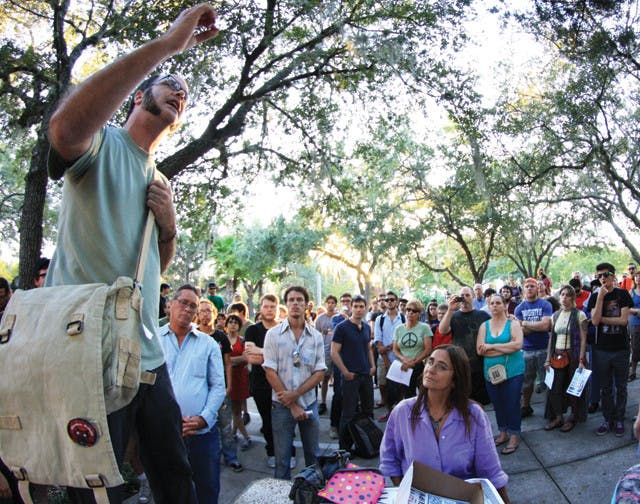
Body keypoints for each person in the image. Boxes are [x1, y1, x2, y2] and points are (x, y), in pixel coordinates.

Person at [45, 5, 219, 502]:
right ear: (140, 95)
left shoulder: (160, 179)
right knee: (97, 486)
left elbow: (153, 270)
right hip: (91, 350)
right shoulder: (101, 144)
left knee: (175, 478)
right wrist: (168, 45)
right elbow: (64, 130)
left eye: (185, 97)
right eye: (171, 86)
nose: (180, 93)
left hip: (147, 355)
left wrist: (169, 227)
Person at [379, 346, 510, 503]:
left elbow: (491, 472)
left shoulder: (474, 415)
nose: (431, 369)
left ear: (455, 380)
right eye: (430, 362)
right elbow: (389, 460)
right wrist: (404, 493)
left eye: (442, 367)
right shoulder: (402, 411)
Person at [159, 285, 225, 504]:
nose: (187, 309)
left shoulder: (208, 344)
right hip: (165, 433)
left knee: (206, 490)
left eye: (192, 306)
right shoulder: (154, 341)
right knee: (170, 491)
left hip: (202, 434)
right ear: (170, 304)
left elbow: (218, 386)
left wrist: (203, 418)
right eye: (183, 303)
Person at [262, 286, 326, 480]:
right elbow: (269, 371)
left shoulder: (315, 336)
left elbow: (320, 371)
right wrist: (290, 403)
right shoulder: (273, 335)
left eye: (300, 300)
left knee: (313, 457)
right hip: (281, 406)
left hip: (309, 404)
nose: (295, 303)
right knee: (282, 460)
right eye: (291, 300)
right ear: (286, 304)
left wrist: (296, 395)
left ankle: (310, 495)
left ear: (306, 304)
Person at [244, 294, 297, 470]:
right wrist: (275, 355)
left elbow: (289, 357)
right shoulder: (252, 330)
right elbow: (251, 358)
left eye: (272, 307)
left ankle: (290, 453)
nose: (269, 310)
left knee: (286, 421)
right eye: (266, 306)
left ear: (277, 308)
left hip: (284, 382)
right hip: (261, 384)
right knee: (267, 422)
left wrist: (261, 352)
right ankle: (273, 453)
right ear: (260, 309)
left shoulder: (284, 328)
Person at [197, 299, 243, 473]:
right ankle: (210, 459)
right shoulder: (193, 335)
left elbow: (228, 364)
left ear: (214, 314)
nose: (205, 314)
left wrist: (228, 386)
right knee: (206, 427)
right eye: (201, 311)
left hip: (220, 389)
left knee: (225, 425)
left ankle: (231, 457)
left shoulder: (220, 337)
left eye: (208, 310)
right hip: (200, 390)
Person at [588, 262, 633, 436]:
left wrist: (601, 319)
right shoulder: (595, 296)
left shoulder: (622, 295)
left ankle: (620, 419)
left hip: (621, 348)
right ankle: (608, 419)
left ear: (613, 276)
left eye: (605, 275)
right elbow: (595, 321)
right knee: (605, 387)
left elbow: (623, 321)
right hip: (602, 349)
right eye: (598, 276)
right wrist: (600, 297)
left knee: (621, 386)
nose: (602, 279)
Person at [477, 294, 525, 455]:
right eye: (492, 303)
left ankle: (514, 435)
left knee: (512, 403)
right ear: (489, 306)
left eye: (498, 303)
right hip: (491, 372)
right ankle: (503, 432)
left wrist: (491, 347)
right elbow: (480, 350)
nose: (495, 306)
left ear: (505, 306)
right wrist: (504, 347)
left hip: (513, 371)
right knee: (497, 403)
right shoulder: (484, 326)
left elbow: (517, 345)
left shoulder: (513, 324)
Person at [330, 295, 376, 451]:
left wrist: (373, 366)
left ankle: (368, 444)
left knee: (368, 411)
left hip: (366, 376)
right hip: (350, 377)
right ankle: (345, 448)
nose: (358, 309)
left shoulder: (367, 327)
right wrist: (345, 372)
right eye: (355, 306)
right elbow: (334, 352)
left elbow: (368, 347)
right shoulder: (342, 327)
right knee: (348, 414)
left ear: (365, 308)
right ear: (351, 308)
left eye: (361, 306)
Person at [542, 285, 588, 433]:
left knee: (573, 389)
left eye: (568, 295)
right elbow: (551, 339)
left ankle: (573, 417)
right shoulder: (555, 315)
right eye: (562, 294)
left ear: (573, 298)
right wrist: (548, 359)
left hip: (573, 356)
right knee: (555, 388)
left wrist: (581, 360)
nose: (564, 298)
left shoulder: (579, 314)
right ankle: (558, 417)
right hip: (557, 356)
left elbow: (583, 340)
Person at [438, 287, 491, 405]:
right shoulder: (453, 315)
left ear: (473, 297)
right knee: (462, 401)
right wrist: (450, 310)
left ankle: (479, 423)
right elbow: (442, 330)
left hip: (480, 365)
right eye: (462, 295)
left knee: (480, 402)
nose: (465, 298)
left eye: (467, 295)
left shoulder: (482, 315)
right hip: (460, 365)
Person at [515, 278, 553, 418]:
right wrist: (537, 325)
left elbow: (546, 326)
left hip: (544, 349)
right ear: (523, 289)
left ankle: (551, 409)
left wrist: (525, 323)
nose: (530, 288)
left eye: (532, 286)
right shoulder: (519, 308)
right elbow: (521, 332)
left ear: (538, 288)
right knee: (526, 382)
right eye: (527, 286)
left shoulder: (546, 304)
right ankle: (526, 406)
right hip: (527, 350)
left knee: (547, 382)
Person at [389, 299, 433, 401]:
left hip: (420, 366)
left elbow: (428, 349)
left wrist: (413, 362)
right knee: (408, 397)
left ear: (419, 313)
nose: (410, 313)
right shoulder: (399, 329)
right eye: (408, 310)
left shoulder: (424, 327)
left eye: (414, 311)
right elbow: (395, 349)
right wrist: (404, 360)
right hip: (403, 366)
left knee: (425, 395)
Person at [374, 291, 406, 421]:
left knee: (399, 386)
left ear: (397, 301)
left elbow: (402, 340)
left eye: (392, 300)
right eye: (387, 300)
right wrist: (386, 358)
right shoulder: (380, 319)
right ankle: (388, 411)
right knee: (383, 384)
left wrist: (388, 347)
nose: (389, 302)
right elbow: (378, 340)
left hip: (400, 358)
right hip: (383, 359)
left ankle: (397, 410)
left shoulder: (403, 318)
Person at [225, 314, 252, 450]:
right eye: (230, 322)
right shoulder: (223, 340)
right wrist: (237, 360)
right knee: (235, 409)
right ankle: (234, 433)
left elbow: (246, 358)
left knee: (236, 410)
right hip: (227, 378)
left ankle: (246, 437)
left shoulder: (242, 341)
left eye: (236, 322)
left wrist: (229, 362)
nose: (233, 324)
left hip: (240, 378)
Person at [314, 295, 339, 415]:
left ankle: (339, 400)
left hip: (338, 352)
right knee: (325, 378)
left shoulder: (339, 318)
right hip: (325, 351)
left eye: (333, 302)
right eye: (328, 302)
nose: (330, 305)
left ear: (335, 304)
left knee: (339, 379)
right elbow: (315, 334)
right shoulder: (320, 319)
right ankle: (323, 402)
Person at [628, 270, 640, 382]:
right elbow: (626, 308)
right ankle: (633, 372)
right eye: (636, 276)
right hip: (635, 323)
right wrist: (636, 310)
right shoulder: (631, 292)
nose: (638, 278)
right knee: (635, 348)